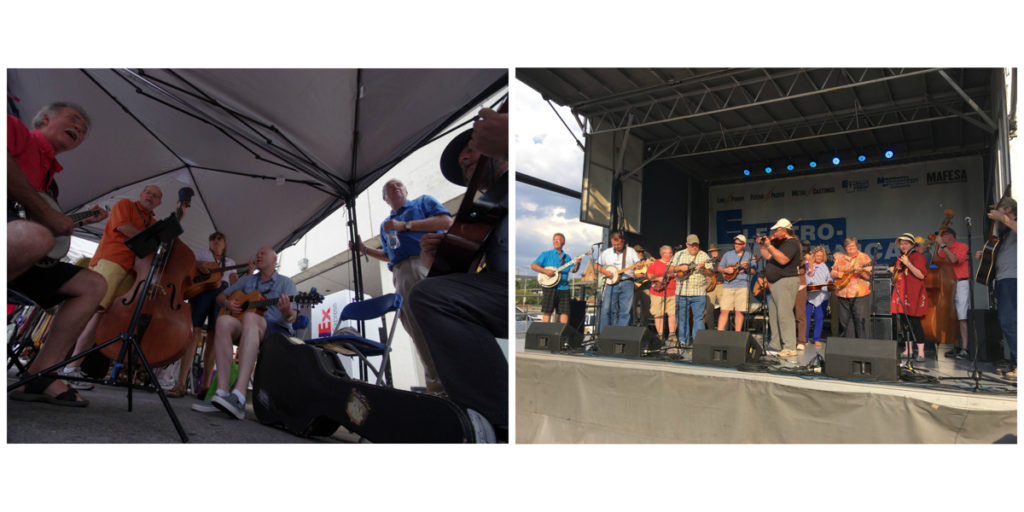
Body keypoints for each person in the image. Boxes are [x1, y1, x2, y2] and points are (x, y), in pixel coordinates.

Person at [408, 106, 509, 442]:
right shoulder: (481, 215)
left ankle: (497, 422)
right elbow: (447, 297)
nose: (465, 158)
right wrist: (430, 263)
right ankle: (486, 417)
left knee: (429, 296)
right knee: (429, 295)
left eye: (472, 146)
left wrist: (511, 139)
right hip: (502, 292)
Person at [7, 102, 109, 407]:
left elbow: (42, 221)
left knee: (94, 285)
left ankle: (40, 376)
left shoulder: (52, 185)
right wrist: (46, 218)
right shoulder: (14, 130)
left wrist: (70, 222)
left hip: (28, 254)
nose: (79, 128)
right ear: (45, 119)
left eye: (83, 130)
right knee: (35, 235)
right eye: (74, 119)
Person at [349, 178, 453, 394]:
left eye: (398, 185)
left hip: (425, 262)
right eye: (389, 188)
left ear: (406, 190)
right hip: (402, 273)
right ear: (385, 198)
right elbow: (389, 255)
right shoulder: (385, 225)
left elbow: (446, 222)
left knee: (438, 326)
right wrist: (364, 250)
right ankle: (438, 388)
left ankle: (451, 386)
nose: (395, 187)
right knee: (418, 331)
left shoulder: (422, 203)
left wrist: (404, 226)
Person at [62, 185, 164, 386]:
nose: (151, 197)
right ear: (141, 195)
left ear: (159, 202)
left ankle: (72, 367)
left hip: (131, 271)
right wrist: (154, 240)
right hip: (112, 261)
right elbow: (124, 228)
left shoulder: (153, 222)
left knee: (101, 318)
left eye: (156, 196)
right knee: (89, 311)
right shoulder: (125, 204)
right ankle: (60, 364)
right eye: (148, 193)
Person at [194, 247, 297, 419]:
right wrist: (227, 304)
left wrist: (287, 312)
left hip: (273, 331)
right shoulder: (248, 280)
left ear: (274, 260)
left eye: (263, 253)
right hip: (247, 327)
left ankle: (239, 397)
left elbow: (293, 317)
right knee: (223, 321)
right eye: (257, 253)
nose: (258, 255)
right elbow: (219, 297)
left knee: (250, 318)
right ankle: (222, 392)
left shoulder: (287, 283)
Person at [169, 231, 241, 398]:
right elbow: (188, 264)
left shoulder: (230, 262)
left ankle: (206, 386)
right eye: (213, 238)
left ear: (224, 244)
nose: (216, 241)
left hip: (221, 293)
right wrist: (199, 265)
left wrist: (249, 274)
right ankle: (180, 383)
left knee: (214, 337)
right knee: (193, 332)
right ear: (209, 243)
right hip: (201, 291)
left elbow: (235, 283)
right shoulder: (201, 253)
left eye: (220, 238)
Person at [976, 198, 1016, 380]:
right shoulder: (1005, 235)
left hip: (1013, 279)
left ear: (1008, 208)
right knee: (1007, 323)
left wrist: (1004, 218)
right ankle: (1015, 361)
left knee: (1010, 322)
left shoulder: (1015, 224)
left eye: (999, 210)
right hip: (1002, 280)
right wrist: (985, 256)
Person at [759, 219, 801, 356]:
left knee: (785, 314)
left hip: (786, 281)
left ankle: (790, 347)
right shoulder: (780, 243)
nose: (774, 232)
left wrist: (770, 246)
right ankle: (775, 344)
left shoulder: (792, 242)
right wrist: (763, 246)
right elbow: (767, 256)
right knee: (774, 315)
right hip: (775, 283)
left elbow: (783, 260)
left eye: (776, 230)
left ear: (784, 230)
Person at [668, 234, 714, 346]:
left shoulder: (704, 256)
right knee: (682, 318)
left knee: (699, 318)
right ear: (687, 244)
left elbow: (711, 272)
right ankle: (683, 341)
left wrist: (703, 268)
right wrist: (679, 268)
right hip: (682, 293)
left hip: (699, 293)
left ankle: (698, 343)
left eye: (696, 245)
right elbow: (668, 269)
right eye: (692, 245)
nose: (694, 247)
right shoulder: (679, 255)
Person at [888, 233, 929, 362]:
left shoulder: (917, 257)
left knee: (915, 322)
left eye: (906, 243)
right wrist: (893, 271)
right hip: (903, 293)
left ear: (911, 244)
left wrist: (908, 263)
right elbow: (898, 276)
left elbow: (921, 275)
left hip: (914, 293)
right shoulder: (900, 258)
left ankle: (921, 352)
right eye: (901, 243)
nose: (903, 246)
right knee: (905, 323)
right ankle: (908, 349)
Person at [934, 228, 971, 360]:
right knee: (952, 317)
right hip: (948, 284)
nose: (941, 237)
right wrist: (937, 246)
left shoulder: (962, 246)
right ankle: (956, 346)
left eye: (943, 235)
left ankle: (965, 348)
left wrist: (942, 246)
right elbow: (936, 261)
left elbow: (955, 260)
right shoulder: (943, 250)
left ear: (950, 236)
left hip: (961, 282)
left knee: (962, 316)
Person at [530, 233, 582, 324]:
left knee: (565, 312)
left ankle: (562, 334)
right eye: (554, 240)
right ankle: (544, 334)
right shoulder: (546, 254)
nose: (555, 241)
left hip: (564, 287)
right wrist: (545, 271)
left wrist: (578, 263)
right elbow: (533, 266)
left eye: (558, 240)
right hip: (549, 287)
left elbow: (573, 270)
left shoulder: (567, 257)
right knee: (547, 311)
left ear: (563, 242)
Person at [830, 237, 873, 340]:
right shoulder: (840, 258)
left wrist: (861, 272)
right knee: (846, 323)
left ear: (856, 246)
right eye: (848, 247)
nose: (851, 248)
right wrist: (836, 273)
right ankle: (850, 348)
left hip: (859, 295)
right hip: (842, 294)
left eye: (852, 246)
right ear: (845, 248)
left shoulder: (864, 258)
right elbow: (832, 273)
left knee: (860, 322)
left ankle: (863, 347)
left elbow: (869, 277)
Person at [595, 232, 640, 331]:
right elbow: (596, 265)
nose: (616, 246)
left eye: (618, 244)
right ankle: (606, 333)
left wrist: (639, 265)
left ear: (623, 241)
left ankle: (621, 334)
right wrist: (605, 272)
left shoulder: (631, 251)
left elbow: (638, 263)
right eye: (614, 245)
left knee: (625, 310)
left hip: (627, 282)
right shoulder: (607, 252)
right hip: (611, 284)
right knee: (607, 309)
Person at [717, 234, 753, 332]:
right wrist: (726, 270)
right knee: (724, 310)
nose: (736, 245)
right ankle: (719, 333)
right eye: (735, 243)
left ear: (744, 245)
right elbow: (719, 268)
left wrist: (746, 268)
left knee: (739, 311)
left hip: (742, 286)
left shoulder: (749, 256)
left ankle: (737, 334)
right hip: (728, 285)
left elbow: (753, 271)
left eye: (739, 244)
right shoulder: (727, 254)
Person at [646, 245, 677, 342]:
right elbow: (649, 276)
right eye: (670, 253)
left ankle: (672, 334)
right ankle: (660, 335)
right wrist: (658, 278)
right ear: (664, 254)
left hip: (672, 292)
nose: (672, 254)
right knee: (658, 314)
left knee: (672, 314)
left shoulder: (674, 264)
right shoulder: (655, 264)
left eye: (672, 252)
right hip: (657, 293)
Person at [804, 246, 831, 349]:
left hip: (822, 295)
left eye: (821, 256)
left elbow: (829, 278)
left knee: (819, 317)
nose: (819, 257)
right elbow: (807, 277)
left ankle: (816, 338)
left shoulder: (825, 266)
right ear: (813, 256)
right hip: (809, 295)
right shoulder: (808, 265)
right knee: (806, 317)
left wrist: (829, 282)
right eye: (817, 255)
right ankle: (804, 338)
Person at [632, 245, 653, 328]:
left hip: (645, 286)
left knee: (646, 307)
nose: (641, 253)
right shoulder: (630, 261)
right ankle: (634, 324)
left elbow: (652, 272)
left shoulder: (648, 261)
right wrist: (635, 274)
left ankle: (643, 326)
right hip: (633, 287)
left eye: (642, 251)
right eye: (638, 251)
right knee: (632, 307)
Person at [703, 244, 723, 329]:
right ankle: (711, 330)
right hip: (710, 286)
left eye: (715, 251)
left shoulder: (722, 260)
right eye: (712, 251)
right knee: (709, 310)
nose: (714, 253)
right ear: (710, 252)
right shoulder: (707, 261)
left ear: (718, 252)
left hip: (721, 284)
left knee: (724, 310)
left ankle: (723, 331)